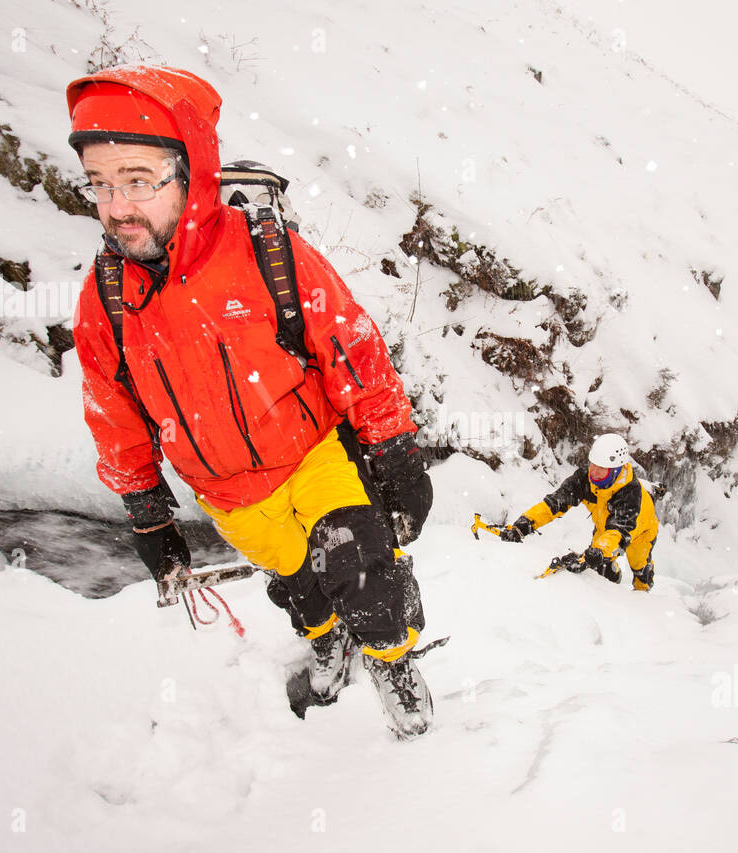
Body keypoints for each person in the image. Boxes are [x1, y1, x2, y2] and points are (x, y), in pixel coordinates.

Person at [66, 66, 434, 738]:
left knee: (362, 572)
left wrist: (393, 447)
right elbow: (111, 409)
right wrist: (147, 512)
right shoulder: (107, 298)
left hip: (314, 455)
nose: (117, 206)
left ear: (191, 174)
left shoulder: (267, 252)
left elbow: (350, 346)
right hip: (224, 491)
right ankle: (326, 642)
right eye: (100, 183)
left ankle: (392, 660)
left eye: (139, 181)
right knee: (299, 585)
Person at [499, 434, 658, 590]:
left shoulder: (629, 492)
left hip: (640, 531)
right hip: (605, 529)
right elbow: (555, 503)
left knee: (639, 565)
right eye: (592, 464)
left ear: (616, 470)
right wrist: (525, 523)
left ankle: (642, 596)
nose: (594, 472)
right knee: (600, 569)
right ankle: (612, 586)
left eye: (601, 468)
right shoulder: (585, 478)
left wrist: (600, 551)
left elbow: (618, 530)